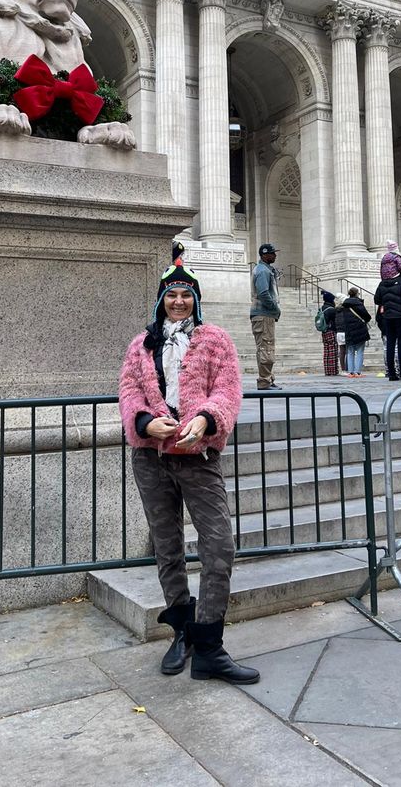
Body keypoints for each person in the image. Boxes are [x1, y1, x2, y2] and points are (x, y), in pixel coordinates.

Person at [119, 259, 259, 684]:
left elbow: (228, 389)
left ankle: (210, 644)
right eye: (171, 295)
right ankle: (181, 630)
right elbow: (128, 391)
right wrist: (144, 422)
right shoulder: (142, 343)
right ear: (161, 299)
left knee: (219, 547)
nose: (178, 301)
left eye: (186, 295)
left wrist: (208, 418)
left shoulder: (215, 339)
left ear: (195, 300)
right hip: (151, 458)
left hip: (197, 456)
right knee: (167, 546)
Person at [374, 268, 401, 381]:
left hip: (388, 317)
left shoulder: (382, 283)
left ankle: (392, 374)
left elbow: (377, 300)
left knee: (390, 345)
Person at [250, 243, 281, 390]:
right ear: (264, 255)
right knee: (266, 348)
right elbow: (263, 293)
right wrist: (274, 308)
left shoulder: (265, 270)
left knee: (266, 347)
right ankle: (264, 381)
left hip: (263, 315)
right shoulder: (263, 271)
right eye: (272, 253)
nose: (275, 255)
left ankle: (268, 379)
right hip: (263, 314)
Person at [341, 287, 371, 377]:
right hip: (359, 329)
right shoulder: (358, 303)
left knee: (350, 351)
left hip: (349, 330)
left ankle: (350, 372)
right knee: (360, 351)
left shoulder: (345, 304)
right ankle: (357, 372)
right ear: (357, 294)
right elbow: (367, 316)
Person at [319, 290, 338, 377]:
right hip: (331, 331)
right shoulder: (331, 310)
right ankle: (333, 370)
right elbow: (336, 321)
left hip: (324, 332)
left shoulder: (322, 308)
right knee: (333, 351)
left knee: (326, 351)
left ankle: (327, 370)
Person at [333, 292, 348, 373]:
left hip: (339, 332)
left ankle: (343, 369)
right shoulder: (346, 309)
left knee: (342, 351)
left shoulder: (335, 310)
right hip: (346, 331)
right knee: (349, 351)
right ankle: (349, 368)